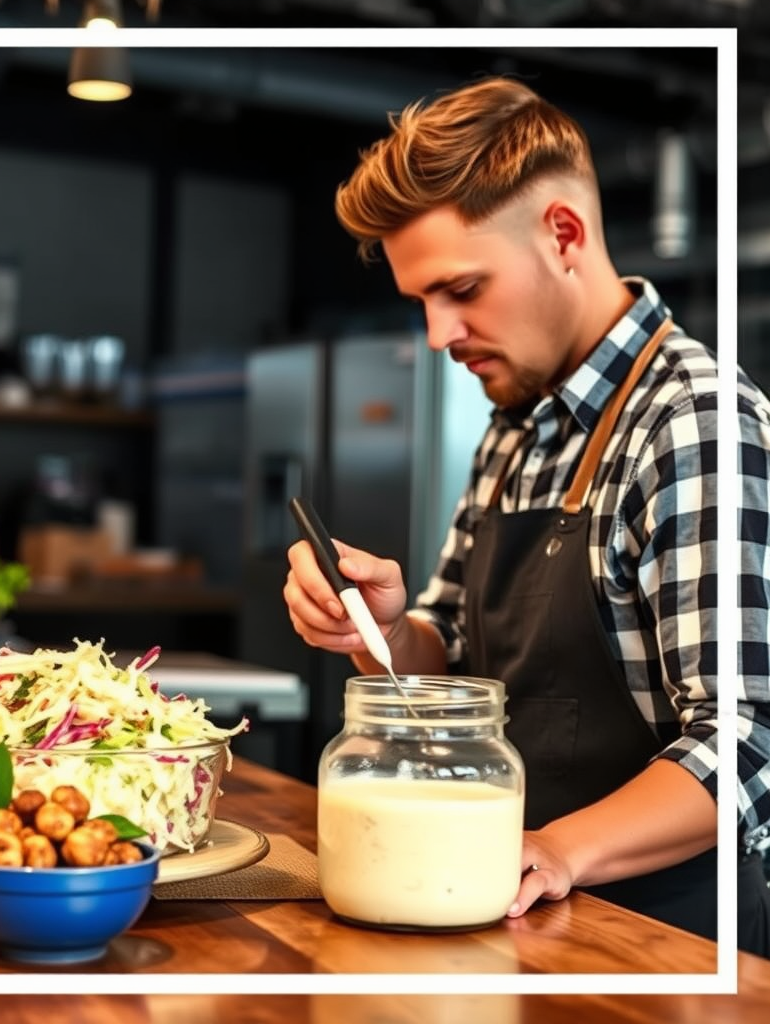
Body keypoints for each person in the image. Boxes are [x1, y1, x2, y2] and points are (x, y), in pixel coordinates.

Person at [282, 76, 770, 956]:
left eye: (462, 289)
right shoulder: (516, 427)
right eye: (422, 301)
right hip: (515, 907)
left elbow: (747, 737)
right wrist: (381, 627)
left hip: (663, 941)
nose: (439, 333)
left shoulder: (692, 419)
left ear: (565, 236)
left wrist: (558, 849)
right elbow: (452, 655)